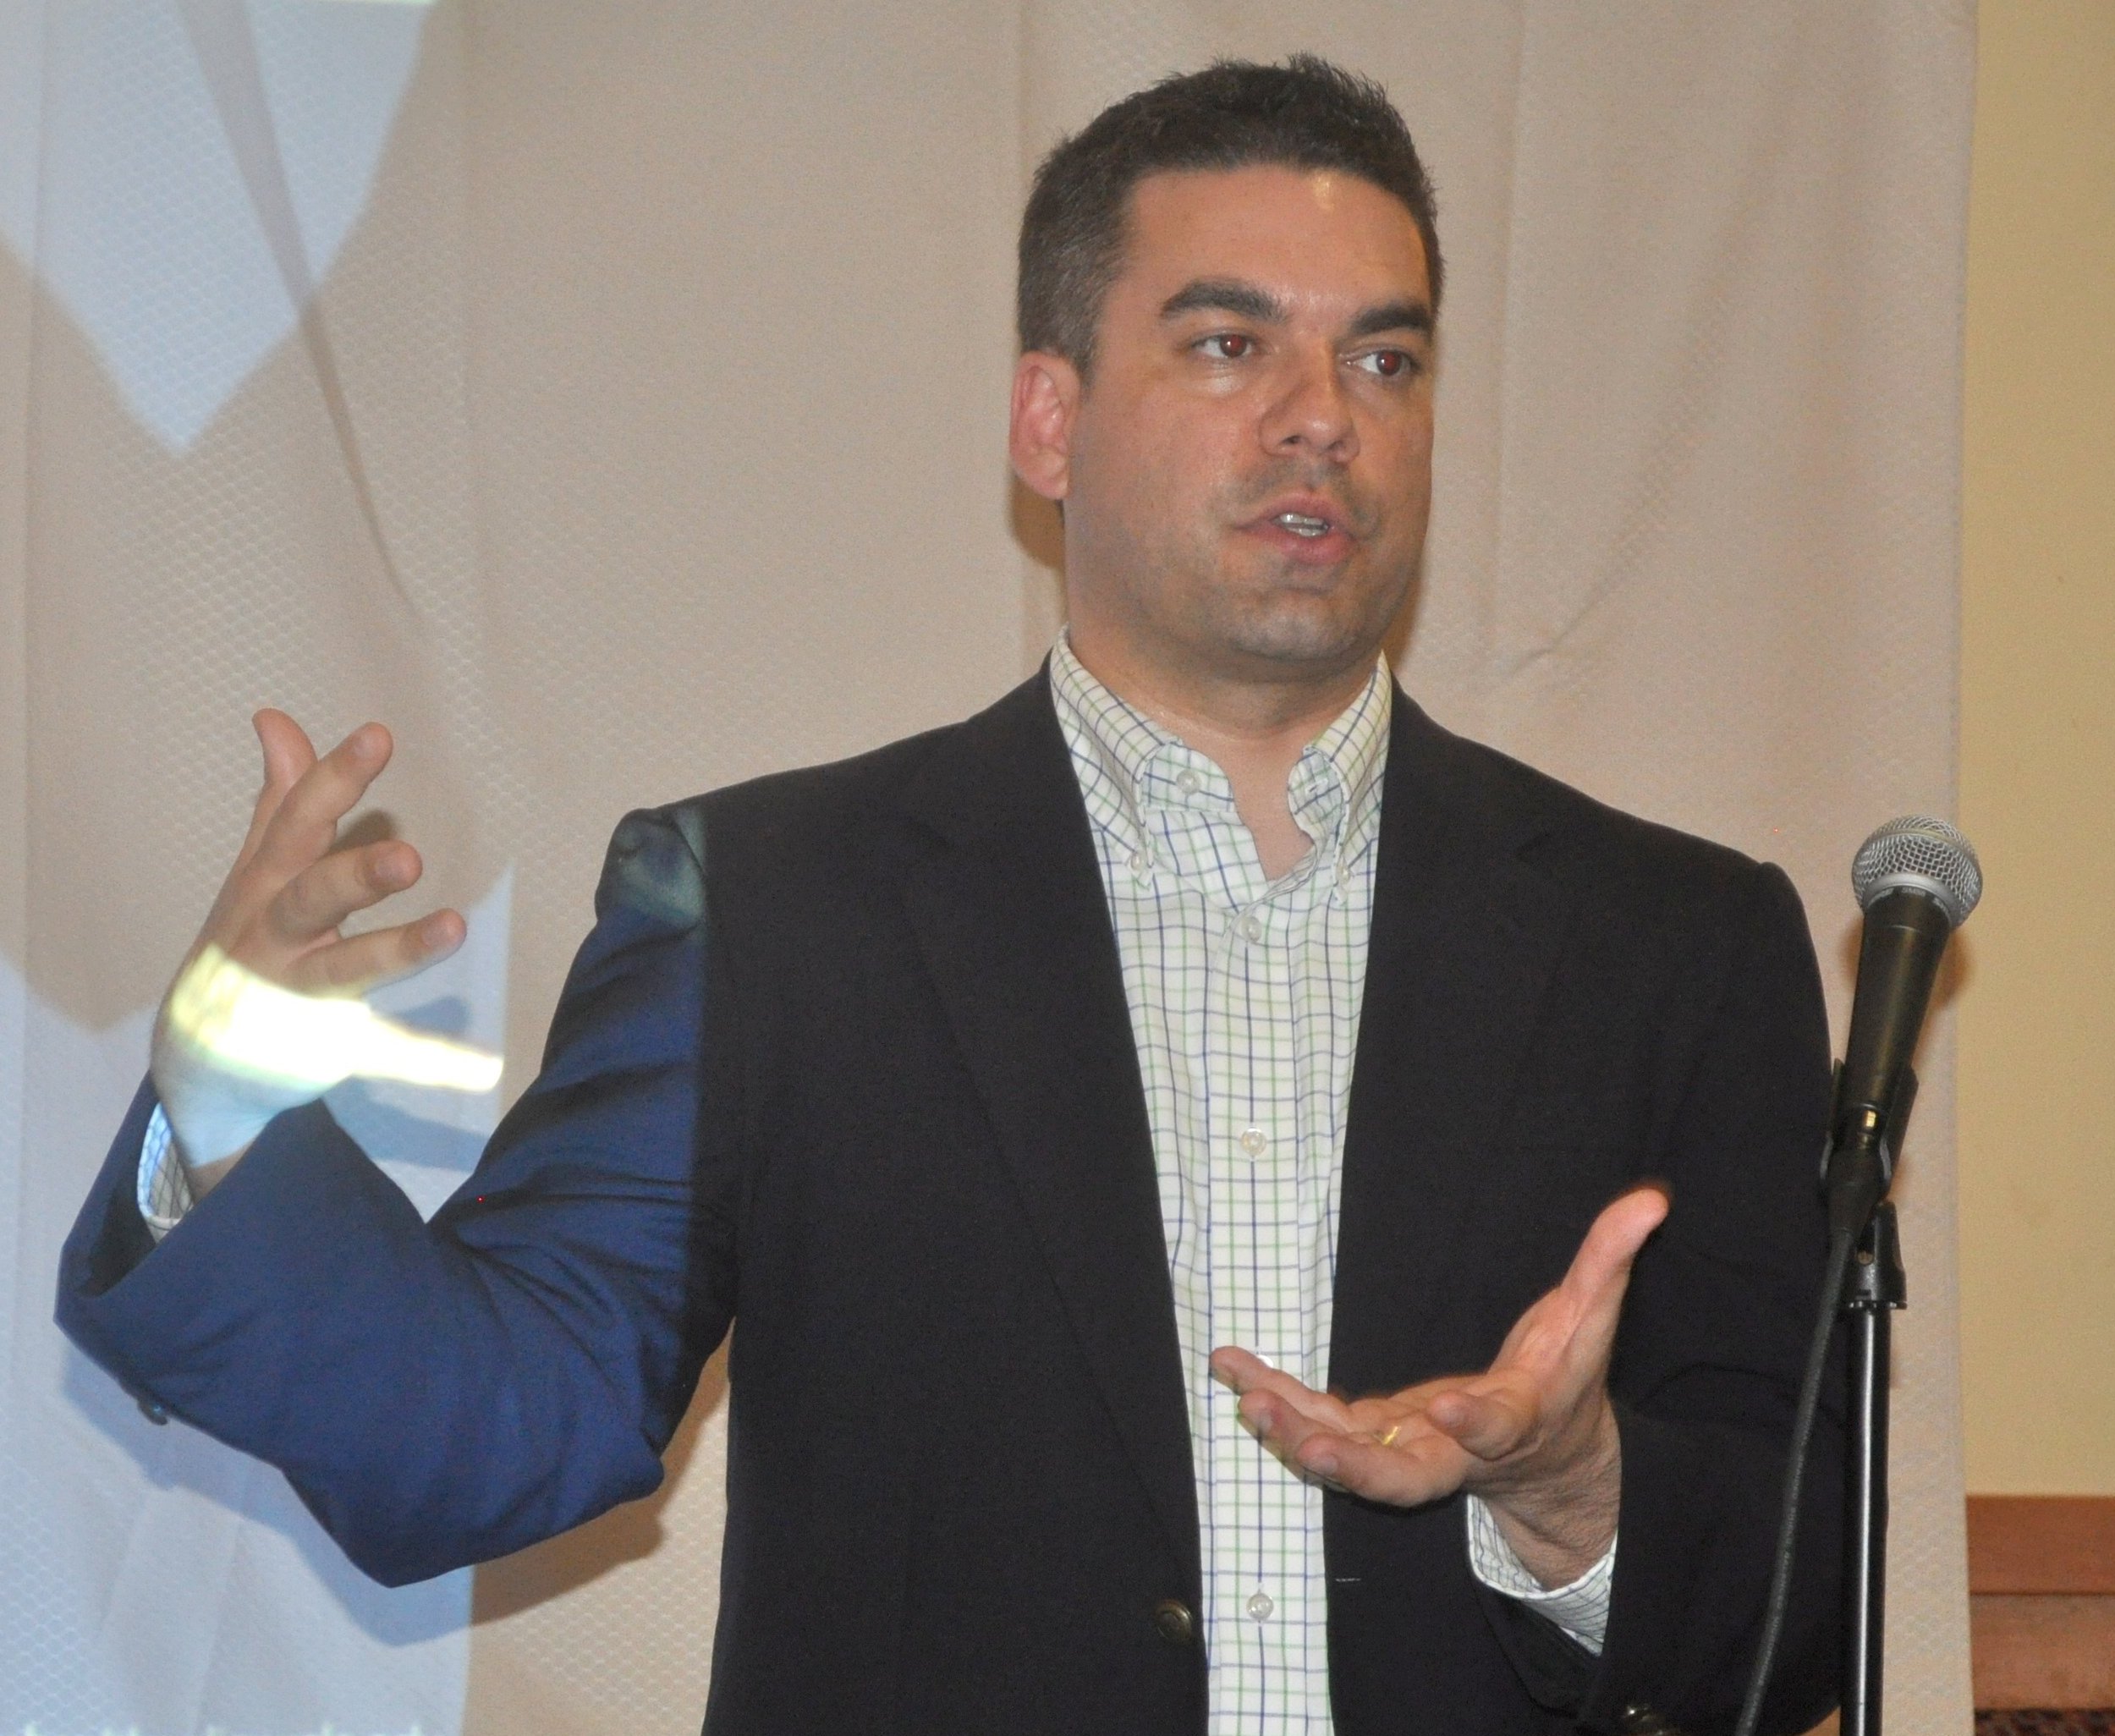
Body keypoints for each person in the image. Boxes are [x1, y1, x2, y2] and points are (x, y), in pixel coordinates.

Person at [58, 56, 1842, 1736]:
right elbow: (493, 1430)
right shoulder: (772, 912)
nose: (1321, 419)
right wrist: (219, 1114)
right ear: (1047, 422)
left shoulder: (1676, 946)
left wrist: (1573, 1492)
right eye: (1229, 345)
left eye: (1384, 360)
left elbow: (1796, 1620)